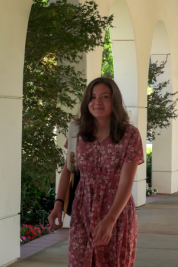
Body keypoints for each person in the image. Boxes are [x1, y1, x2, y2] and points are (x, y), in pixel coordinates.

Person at [48, 77, 144, 266]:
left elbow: (126, 182)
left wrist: (110, 219)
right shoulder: (77, 132)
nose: (97, 102)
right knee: (79, 261)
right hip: (82, 207)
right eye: (92, 97)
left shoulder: (130, 135)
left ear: (114, 101)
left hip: (116, 209)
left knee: (113, 261)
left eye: (104, 96)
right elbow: (69, 169)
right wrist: (58, 204)